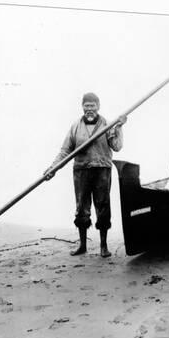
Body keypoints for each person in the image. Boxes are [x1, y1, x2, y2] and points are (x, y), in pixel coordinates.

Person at [45, 92, 126, 258]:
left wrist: (119, 127)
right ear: (82, 107)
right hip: (81, 171)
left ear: (98, 107)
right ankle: (82, 245)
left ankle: (104, 246)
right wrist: (52, 168)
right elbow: (65, 150)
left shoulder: (107, 125)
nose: (89, 109)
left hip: (102, 170)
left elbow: (117, 147)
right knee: (81, 207)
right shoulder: (75, 126)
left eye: (93, 106)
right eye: (86, 106)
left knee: (102, 206)